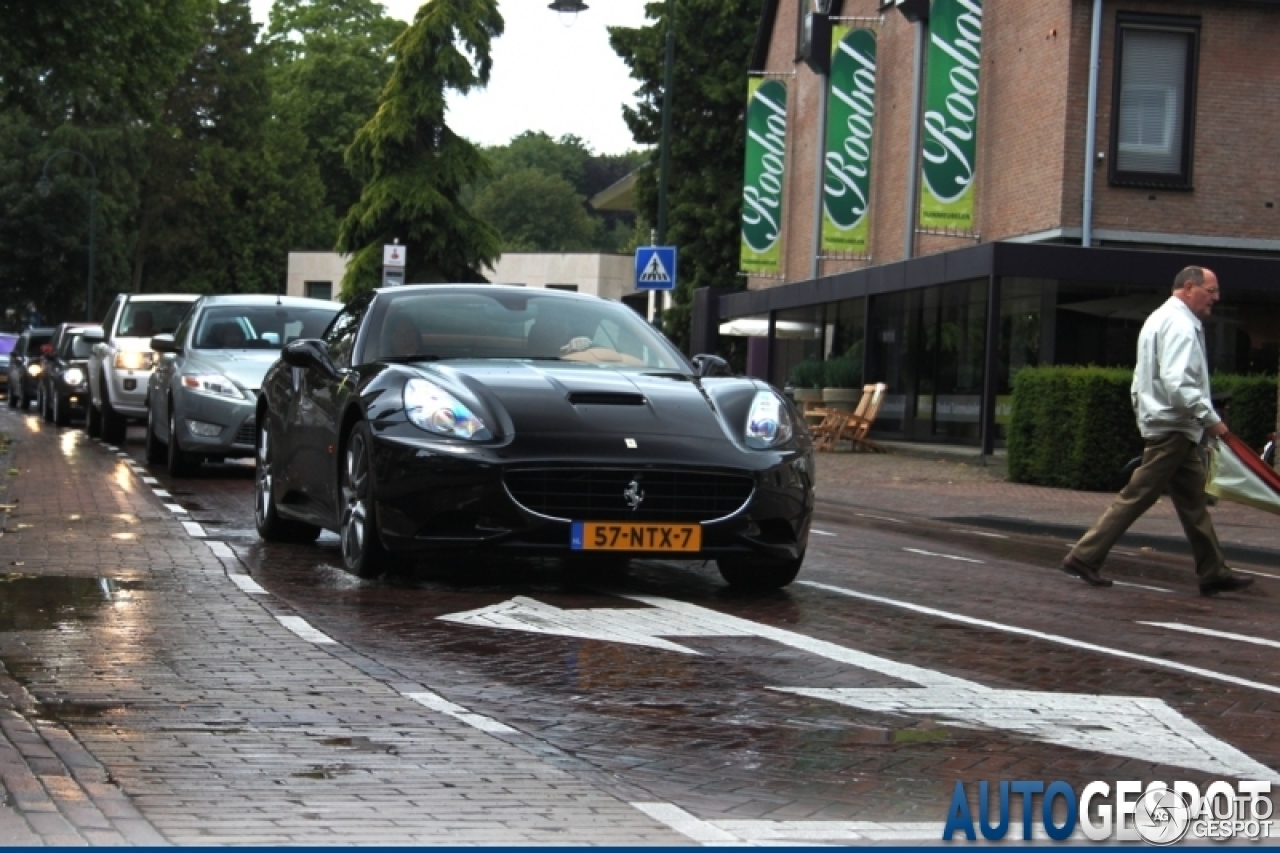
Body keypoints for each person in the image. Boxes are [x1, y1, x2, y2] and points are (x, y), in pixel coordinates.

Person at [1060, 266, 1254, 597]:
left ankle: (1213, 571)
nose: (1216, 298)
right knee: (1140, 493)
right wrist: (1212, 420)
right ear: (1189, 287)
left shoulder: (1160, 318)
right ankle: (1084, 555)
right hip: (1174, 426)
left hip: (1171, 423)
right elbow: (1178, 383)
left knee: (1193, 502)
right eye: (1211, 290)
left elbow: (1145, 378)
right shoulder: (1180, 325)